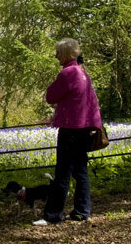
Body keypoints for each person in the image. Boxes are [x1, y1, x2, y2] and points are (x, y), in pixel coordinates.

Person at [34, 38, 103, 225]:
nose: (56, 56)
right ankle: (82, 211)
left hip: (70, 128)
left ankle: (53, 215)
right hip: (84, 129)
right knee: (81, 171)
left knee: (62, 172)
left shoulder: (68, 73)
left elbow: (50, 96)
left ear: (65, 54)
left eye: (58, 52)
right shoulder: (83, 73)